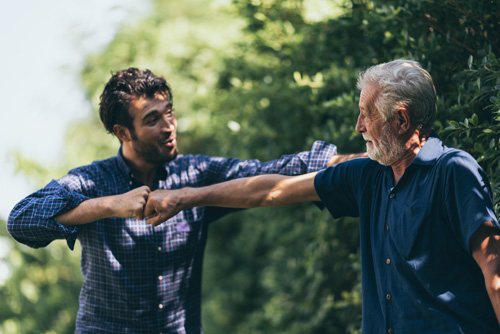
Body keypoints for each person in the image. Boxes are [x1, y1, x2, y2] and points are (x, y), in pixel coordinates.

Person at [144, 60, 500, 334]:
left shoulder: (453, 170)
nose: (358, 126)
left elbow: (495, 270)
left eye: (367, 114)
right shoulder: (368, 176)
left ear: (402, 120)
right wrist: (184, 197)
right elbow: (270, 189)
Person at [7, 68, 363, 333]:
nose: (169, 126)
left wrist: (364, 162)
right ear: (122, 133)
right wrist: (111, 205)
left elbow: (268, 171)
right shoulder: (94, 180)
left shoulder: (195, 174)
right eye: (153, 119)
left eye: (169, 112)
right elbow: (22, 219)